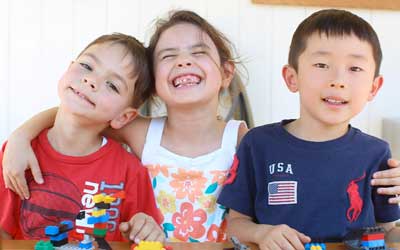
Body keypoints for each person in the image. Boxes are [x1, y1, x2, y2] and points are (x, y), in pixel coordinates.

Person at [1, 10, 248, 242]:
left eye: (198, 52)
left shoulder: (242, 139)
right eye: (169, 55)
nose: (183, 61)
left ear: (226, 73)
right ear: (155, 81)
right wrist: (19, 138)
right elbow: (75, 115)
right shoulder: (140, 131)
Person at [217, 9, 400, 250]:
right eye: (322, 64)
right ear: (292, 78)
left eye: (355, 68)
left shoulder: (376, 153)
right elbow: (235, 224)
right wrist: (262, 234)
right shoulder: (258, 144)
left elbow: (388, 231)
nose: (338, 80)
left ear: (373, 88)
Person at [0, 33, 164, 242]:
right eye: (87, 66)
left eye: (112, 85)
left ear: (124, 117)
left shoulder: (130, 173)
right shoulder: (18, 154)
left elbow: (149, 240)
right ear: (68, 69)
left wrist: (147, 230)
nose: (91, 80)